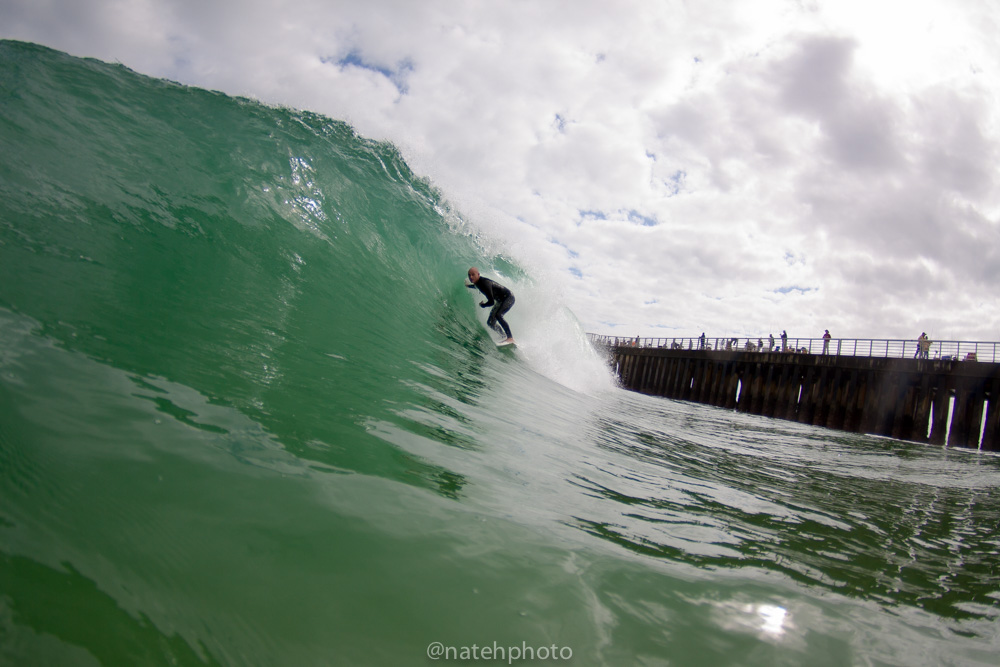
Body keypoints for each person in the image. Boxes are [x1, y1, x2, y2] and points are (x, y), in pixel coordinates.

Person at [466, 267, 515, 343]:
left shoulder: (485, 283)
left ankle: (510, 337)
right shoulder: (478, 283)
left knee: (499, 315)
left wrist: (483, 305)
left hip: (509, 297)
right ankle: (503, 336)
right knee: (490, 323)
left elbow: (491, 302)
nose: (471, 277)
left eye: (473, 275)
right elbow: (476, 286)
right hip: (500, 301)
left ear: (478, 275)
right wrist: (468, 286)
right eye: (469, 275)